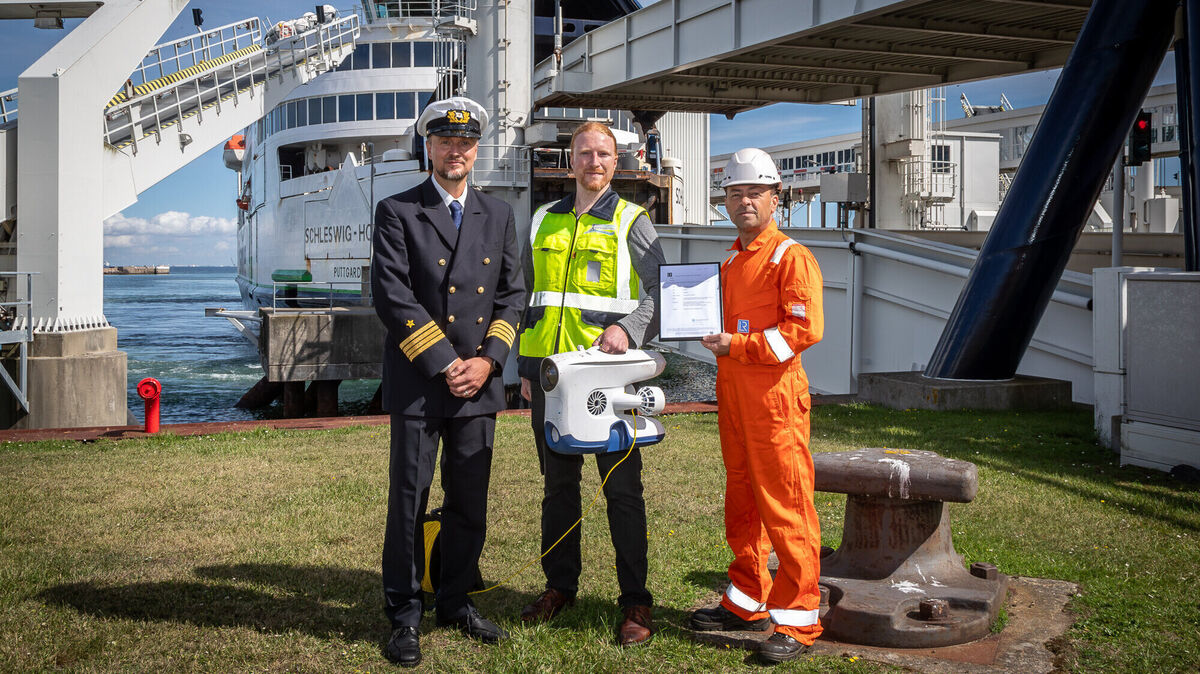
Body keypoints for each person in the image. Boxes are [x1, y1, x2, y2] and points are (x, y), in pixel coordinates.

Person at [372, 96, 524, 667]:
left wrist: (487, 362)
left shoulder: (499, 214)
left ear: (476, 150)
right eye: (444, 142)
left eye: (464, 143)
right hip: (421, 379)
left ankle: (455, 601)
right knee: (409, 501)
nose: (454, 150)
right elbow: (392, 295)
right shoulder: (397, 210)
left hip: (479, 382)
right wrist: (445, 361)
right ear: (428, 148)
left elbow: (512, 296)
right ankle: (405, 614)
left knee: (469, 500)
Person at [516, 121, 666, 646]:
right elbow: (527, 298)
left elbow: (659, 293)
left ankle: (636, 603)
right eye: (585, 153)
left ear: (615, 160)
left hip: (607, 381)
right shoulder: (542, 220)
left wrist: (628, 328)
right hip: (552, 381)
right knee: (558, 490)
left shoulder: (633, 221)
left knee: (622, 490)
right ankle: (560, 587)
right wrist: (526, 371)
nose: (594, 162)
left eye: (604, 154)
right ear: (570, 159)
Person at [691, 147, 825, 664]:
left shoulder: (790, 257)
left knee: (786, 505)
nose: (744, 201)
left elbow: (803, 330)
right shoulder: (729, 261)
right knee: (742, 500)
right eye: (735, 192)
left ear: (775, 198)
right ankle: (747, 599)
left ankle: (798, 619)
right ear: (725, 200)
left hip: (774, 401)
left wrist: (738, 347)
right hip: (735, 399)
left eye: (754, 192)